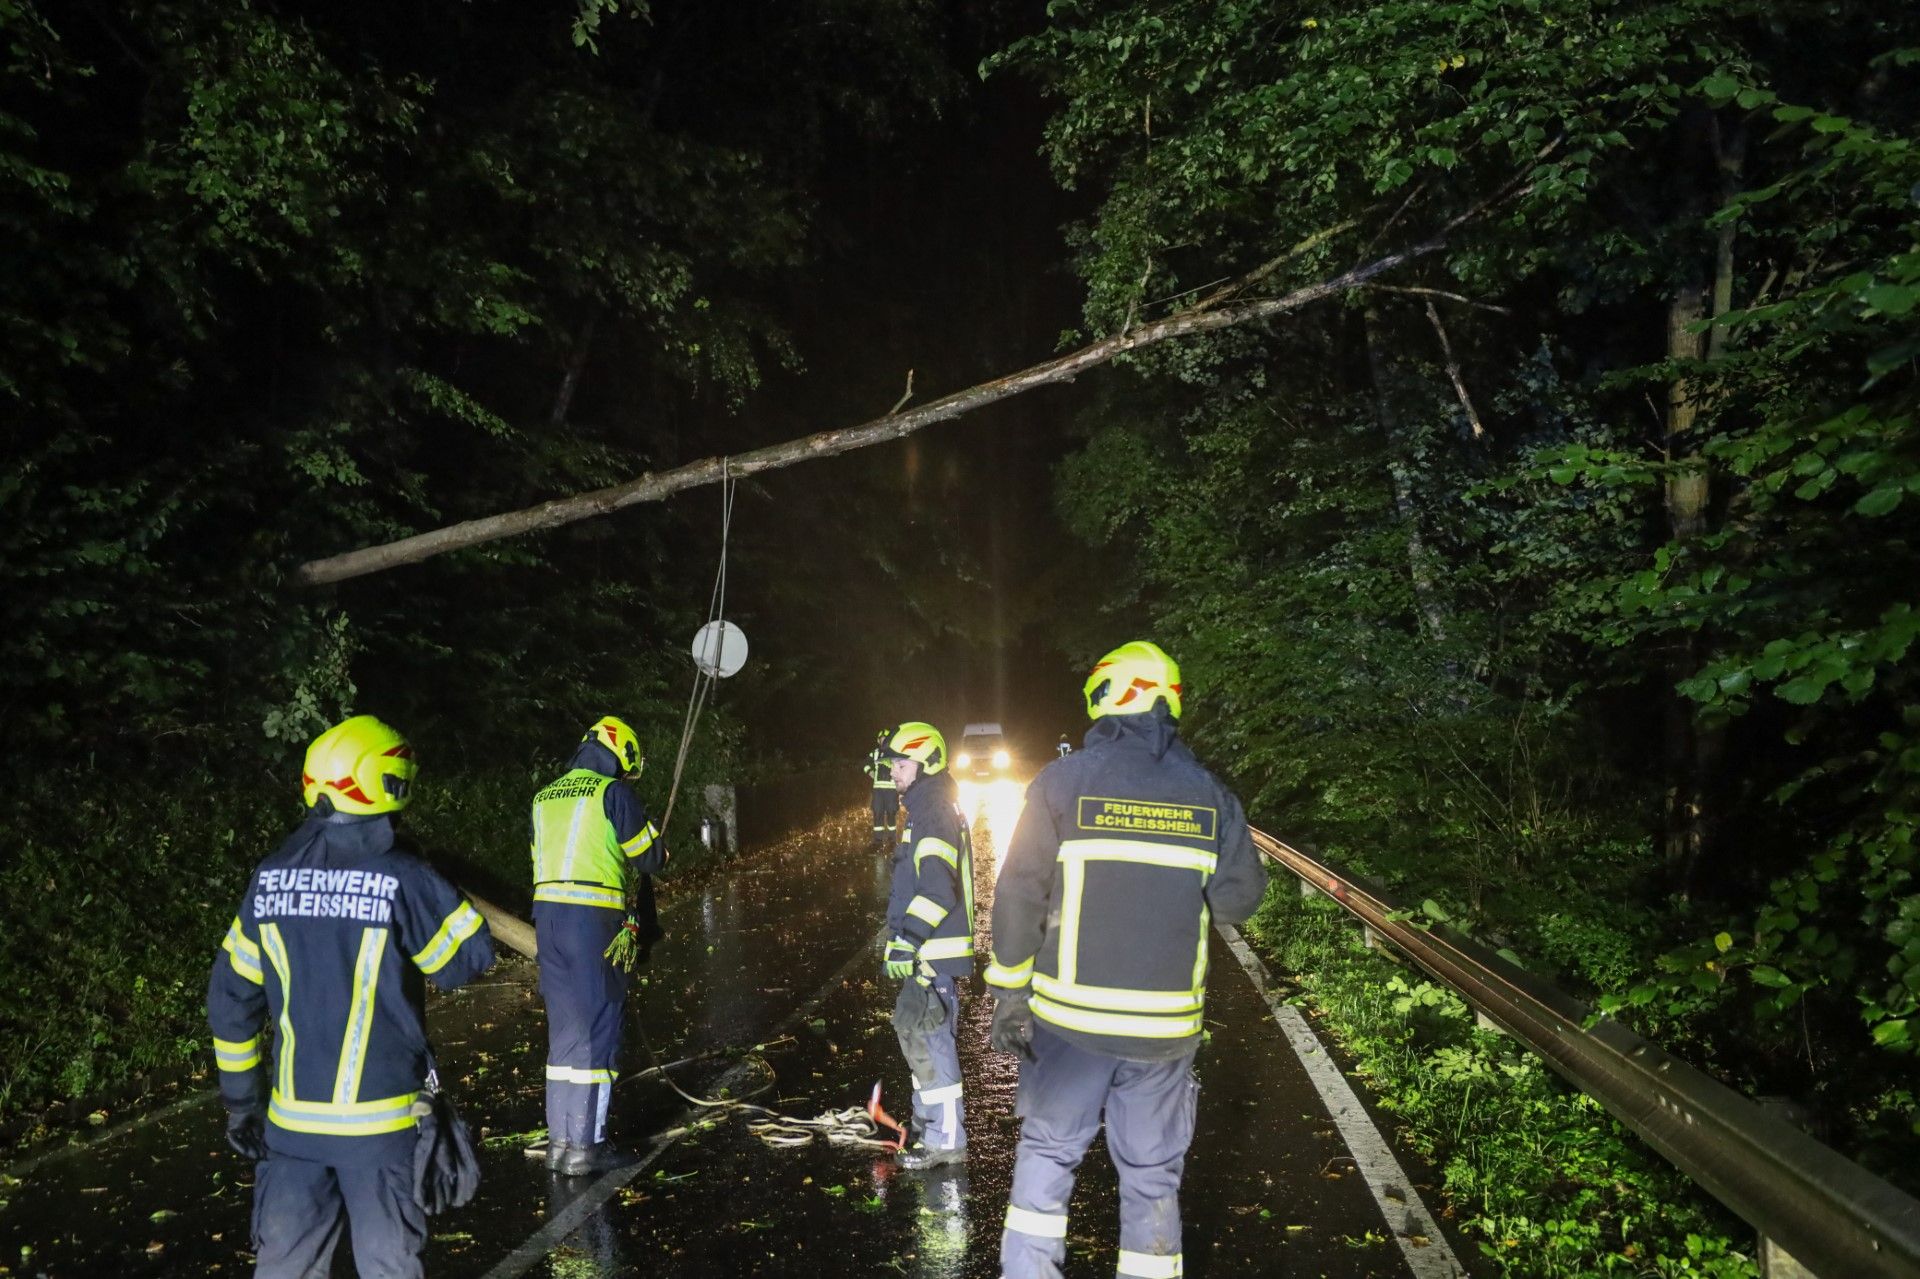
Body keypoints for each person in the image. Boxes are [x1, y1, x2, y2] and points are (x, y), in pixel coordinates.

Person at [986, 641, 1267, 1279]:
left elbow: (1018, 891)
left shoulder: (1063, 783)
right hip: (1165, 1033)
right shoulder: (1209, 794)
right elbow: (1238, 901)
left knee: (1049, 1156)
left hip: (1069, 1027)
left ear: (1110, 696)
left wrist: (1009, 992)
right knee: (1151, 1176)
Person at [207, 714, 495, 1279]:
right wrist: (436, 881)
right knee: (389, 1267)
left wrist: (243, 1103)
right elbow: (465, 962)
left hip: (290, 1132)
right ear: (391, 782)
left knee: (286, 1268)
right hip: (380, 1131)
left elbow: (231, 1000)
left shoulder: (268, 880)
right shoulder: (402, 877)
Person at [530, 714, 668, 1176]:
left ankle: (560, 1144)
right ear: (620, 752)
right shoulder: (613, 793)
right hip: (592, 923)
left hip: (547, 921)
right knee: (599, 1031)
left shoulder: (544, 796)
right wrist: (660, 846)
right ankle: (588, 1148)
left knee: (565, 1034)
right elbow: (648, 856)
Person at [880, 720, 976, 1170]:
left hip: (931, 952)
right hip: (926, 951)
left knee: (933, 1043)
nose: (893, 772)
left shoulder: (934, 808)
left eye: (901, 763)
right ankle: (925, 1127)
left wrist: (907, 941)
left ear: (926, 763)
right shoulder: (925, 806)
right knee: (919, 1036)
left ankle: (947, 1141)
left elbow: (938, 889)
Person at [867, 728, 900, 848]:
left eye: (886, 739)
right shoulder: (875, 753)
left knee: (891, 813)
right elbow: (865, 763)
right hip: (878, 791)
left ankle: (892, 840)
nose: (883, 741)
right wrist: (870, 771)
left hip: (891, 790)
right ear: (878, 741)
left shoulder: (895, 753)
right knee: (877, 813)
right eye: (881, 739)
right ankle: (877, 841)